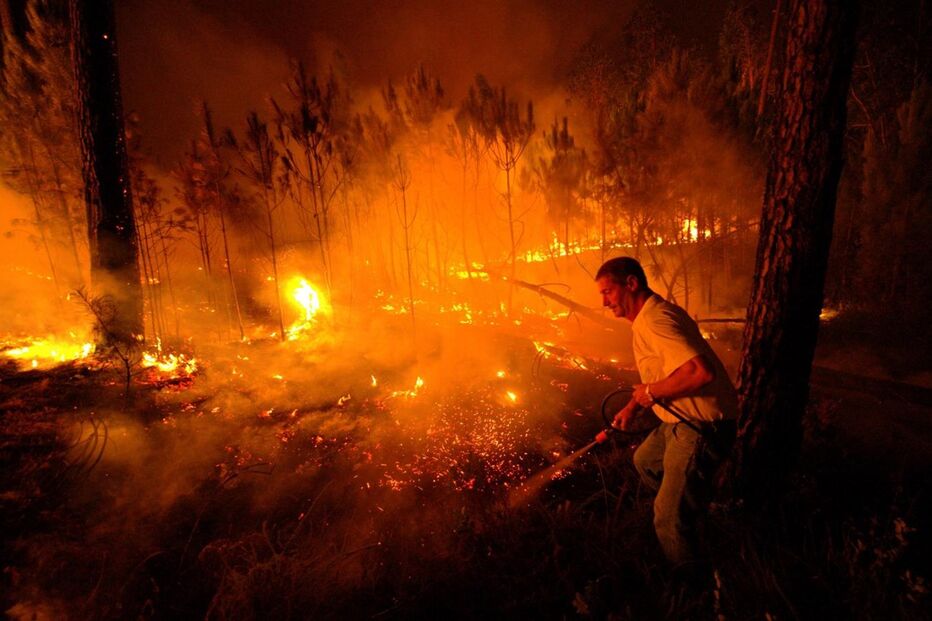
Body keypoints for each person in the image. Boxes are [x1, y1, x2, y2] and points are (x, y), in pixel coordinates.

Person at [596, 257, 737, 568]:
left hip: (701, 427)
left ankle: (692, 592)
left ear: (631, 284)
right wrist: (633, 406)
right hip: (678, 422)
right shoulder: (646, 319)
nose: (604, 302)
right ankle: (690, 507)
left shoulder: (656, 320)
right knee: (645, 461)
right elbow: (665, 372)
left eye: (608, 292)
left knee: (667, 518)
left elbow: (700, 373)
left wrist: (648, 393)